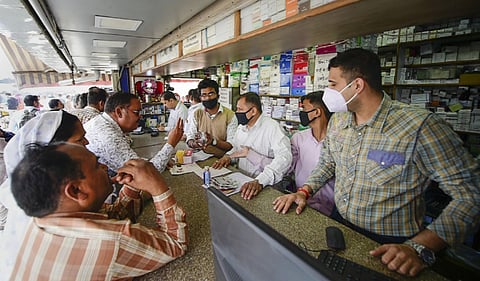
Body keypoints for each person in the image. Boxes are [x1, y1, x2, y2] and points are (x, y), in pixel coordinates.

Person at [272, 48, 480, 277]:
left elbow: (471, 195)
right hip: (339, 226)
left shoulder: (419, 127)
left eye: (332, 84)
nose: (328, 92)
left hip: (393, 244)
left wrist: (420, 246)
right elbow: (327, 163)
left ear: (357, 86)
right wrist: (304, 191)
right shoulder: (339, 121)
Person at [9, 143, 187, 280]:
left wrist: (131, 188)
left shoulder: (41, 221)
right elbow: (175, 244)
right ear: (76, 191)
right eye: (96, 165)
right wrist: (158, 187)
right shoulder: (109, 239)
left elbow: (113, 217)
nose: (104, 166)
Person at [0, 111, 89, 278]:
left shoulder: (40, 191)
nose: (87, 142)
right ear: (53, 152)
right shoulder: (48, 205)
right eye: (79, 140)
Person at [212, 92, 292, 200]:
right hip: (243, 181)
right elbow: (236, 148)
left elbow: (284, 159)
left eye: (240, 109)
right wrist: (228, 157)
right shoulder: (242, 127)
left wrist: (261, 181)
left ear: (253, 111)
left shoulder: (272, 128)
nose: (237, 112)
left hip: (266, 186)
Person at [84, 92, 183, 173]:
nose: (140, 117)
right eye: (136, 112)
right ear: (119, 112)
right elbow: (146, 173)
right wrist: (171, 143)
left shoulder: (101, 122)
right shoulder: (108, 136)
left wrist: (159, 161)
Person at [186, 79, 237, 158]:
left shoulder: (230, 115)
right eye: (204, 95)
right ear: (200, 97)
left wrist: (213, 141)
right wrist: (194, 143)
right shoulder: (197, 113)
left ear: (218, 95)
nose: (207, 98)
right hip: (200, 157)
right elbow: (190, 136)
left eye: (211, 94)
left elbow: (231, 145)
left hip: (221, 159)